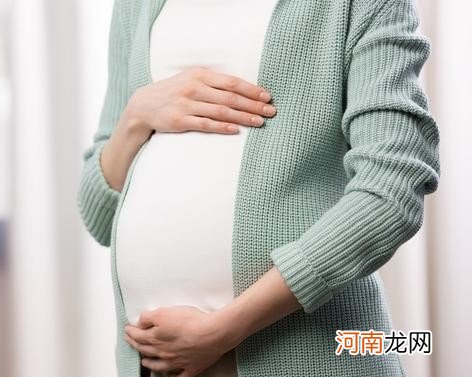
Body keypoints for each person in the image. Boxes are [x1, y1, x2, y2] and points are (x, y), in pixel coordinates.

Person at [76, 0, 440, 376]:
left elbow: (392, 191)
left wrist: (225, 329)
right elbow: (98, 214)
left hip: (313, 356)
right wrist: (136, 115)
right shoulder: (136, 6)